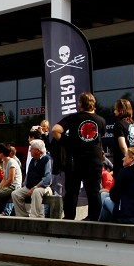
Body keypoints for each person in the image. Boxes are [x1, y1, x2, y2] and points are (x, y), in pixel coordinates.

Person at [51, 92, 106, 220]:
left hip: (75, 160)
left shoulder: (72, 118)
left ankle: (69, 216)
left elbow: (55, 130)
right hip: (94, 160)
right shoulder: (101, 120)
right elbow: (100, 138)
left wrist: (68, 143)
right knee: (93, 190)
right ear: (93, 105)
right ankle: (93, 217)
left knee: (72, 190)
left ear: (80, 104)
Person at [12, 139, 54, 218]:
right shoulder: (32, 160)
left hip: (43, 187)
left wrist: (35, 187)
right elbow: (28, 175)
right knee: (15, 194)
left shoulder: (47, 159)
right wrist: (24, 185)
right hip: (30, 187)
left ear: (38, 151)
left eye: (31, 149)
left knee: (36, 192)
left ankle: (35, 217)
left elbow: (47, 178)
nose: (30, 151)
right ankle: (22, 216)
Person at [110, 98, 134, 170]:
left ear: (121, 110)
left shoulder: (118, 125)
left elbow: (123, 146)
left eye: (116, 109)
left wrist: (128, 159)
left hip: (122, 164)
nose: (114, 111)